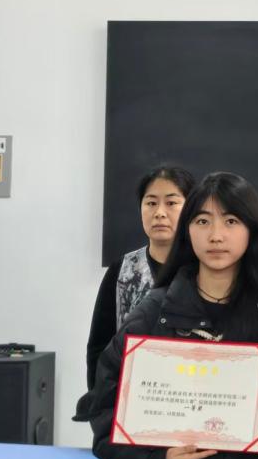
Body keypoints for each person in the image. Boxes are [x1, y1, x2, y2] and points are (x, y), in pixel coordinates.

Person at [85, 172, 258, 459]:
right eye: (203, 221)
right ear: (187, 230)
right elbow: (104, 410)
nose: (216, 235)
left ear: (251, 230)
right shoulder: (153, 313)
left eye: (231, 221)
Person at [83, 166, 196, 392]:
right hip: (134, 395)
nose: (160, 212)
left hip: (190, 393)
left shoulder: (203, 270)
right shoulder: (123, 269)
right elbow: (99, 345)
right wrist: (100, 402)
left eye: (171, 203)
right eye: (151, 203)